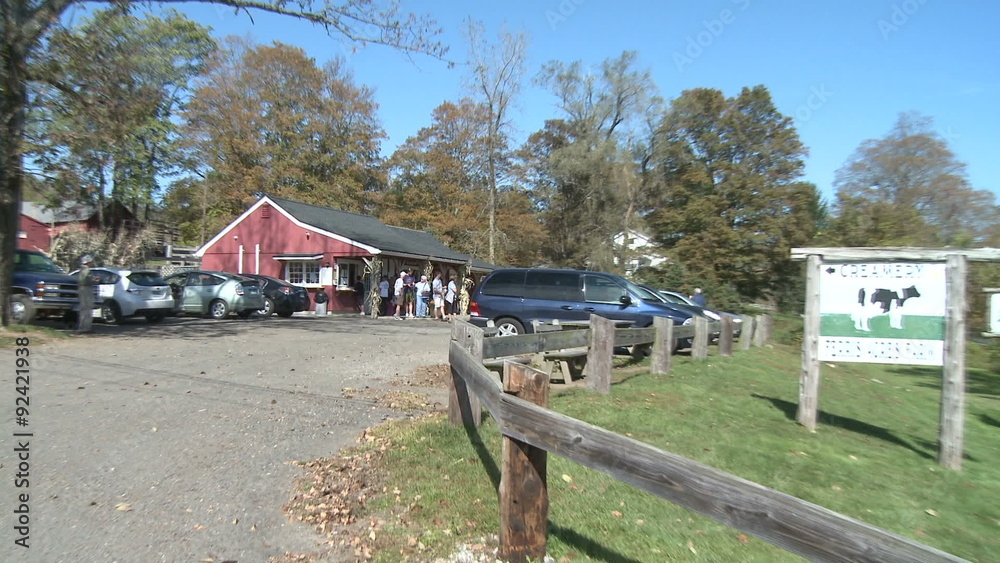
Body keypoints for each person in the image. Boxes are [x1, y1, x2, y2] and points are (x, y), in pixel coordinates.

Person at [77, 254, 96, 333]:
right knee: (88, 308)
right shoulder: (87, 270)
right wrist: (94, 280)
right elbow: (86, 280)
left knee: (83, 309)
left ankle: (81, 327)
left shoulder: (81, 270)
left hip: (81, 289)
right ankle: (86, 327)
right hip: (86, 289)